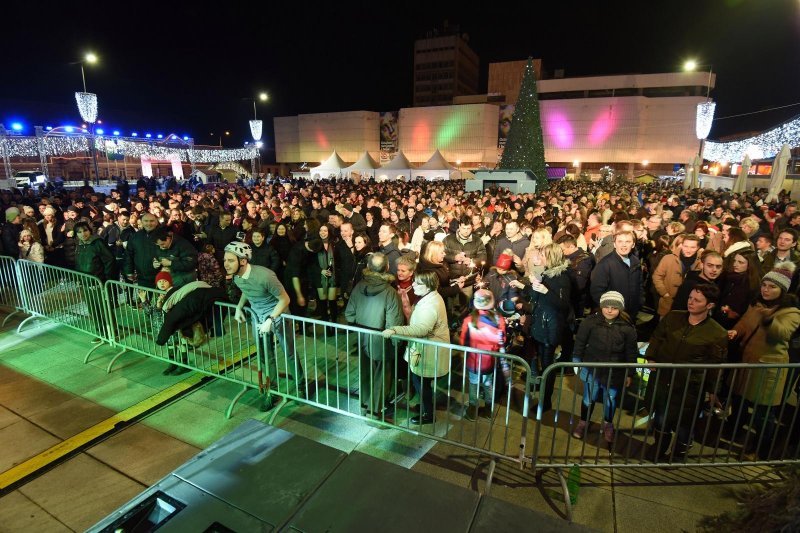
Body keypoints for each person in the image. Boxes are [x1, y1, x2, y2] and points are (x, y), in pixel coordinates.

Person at [725, 261, 800, 459]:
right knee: (739, 401)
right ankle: (733, 432)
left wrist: (769, 319)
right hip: (747, 363)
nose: (766, 290)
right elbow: (745, 322)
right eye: (764, 285)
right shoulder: (756, 304)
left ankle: (759, 450)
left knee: (763, 415)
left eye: (772, 287)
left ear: (782, 290)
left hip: (767, 371)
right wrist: (736, 331)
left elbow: (782, 333)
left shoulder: (791, 312)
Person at [645, 283, 728, 461]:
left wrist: (713, 391)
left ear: (710, 305)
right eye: (690, 297)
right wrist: (651, 357)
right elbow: (658, 337)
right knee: (661, 417)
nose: (690, 302)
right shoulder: (673, 317)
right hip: (664, 379)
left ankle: (679, 453)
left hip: (689, 387)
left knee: (684, 424)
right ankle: (659, 447)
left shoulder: (716, 333)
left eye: (697, 300)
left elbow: (716, 364)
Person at [224, 241, 304, 406]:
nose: (226, 264)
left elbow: (285, 299)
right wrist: (239, 307)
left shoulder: (265, 275)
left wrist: (271, 319)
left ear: (243, 261)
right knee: (264, 356)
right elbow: (247, 291)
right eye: (225, 260)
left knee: (289, 352)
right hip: (258, 318)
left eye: (230, 260)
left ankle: (300, 386)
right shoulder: (237, 277)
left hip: (278, 315)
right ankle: (272, 391)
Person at [382, 270, 450, 425]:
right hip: (425, 350)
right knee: (421, 382)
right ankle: (427, 406)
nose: (413, 284)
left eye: (418, 283)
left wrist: (395, 329)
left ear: (428, 286)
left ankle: (428, 414)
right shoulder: (430, 297)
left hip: (428, 352)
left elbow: (421, 329)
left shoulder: (430, 305)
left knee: (421, 382)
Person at [511, 243, 572, 413]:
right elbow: (536, 296)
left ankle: (545, 402)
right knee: (541, 363)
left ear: (551, 257)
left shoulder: (562, 278)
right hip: (541, 325)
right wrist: (525, 286)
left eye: (543, 255)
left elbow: (563, 305)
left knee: (547, 367)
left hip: (550, 329)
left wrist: (546, 292)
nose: (540, 259)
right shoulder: (546, 273)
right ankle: (542, 390)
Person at [571, 291, 638, 442]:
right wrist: (576, 361)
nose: (609, 310)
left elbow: (631, 352)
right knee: (589, 398)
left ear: (620, 309)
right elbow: (580, 342)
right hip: (592, 369)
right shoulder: (590, 322)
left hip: (615, 372)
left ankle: (608, 424)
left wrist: (630, 373)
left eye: (614, 308)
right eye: (606, 306)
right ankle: (583, 422)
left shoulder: (627, 328)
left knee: (610, 399)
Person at [344, 252, 405, 420]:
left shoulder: (358, 287)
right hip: (381, 339)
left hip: (362, 337)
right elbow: (395, 323)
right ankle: (375, 412)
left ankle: (364, 406)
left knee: (365, 373)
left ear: (368, 267)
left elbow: (349, 314)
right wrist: (397, 344)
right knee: (381, 376)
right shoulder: (390, 292)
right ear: (387, 267)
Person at [459, 289, 506, 421]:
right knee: (488, 383)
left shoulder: (469, 320)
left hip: (473, 361)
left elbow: (463, 341)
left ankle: (472, 410)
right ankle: (488, 410)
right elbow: (502, 340)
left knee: (473, 383)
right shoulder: (499, 320)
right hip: (489, 361)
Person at [590, 230, 643, 323]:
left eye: (628, 242)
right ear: (614, 244)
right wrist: (610, 310)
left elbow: (639, 285)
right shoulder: (605, 264)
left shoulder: (635, 262)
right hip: (613, 316)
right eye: (620, 241)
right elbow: (596, 291)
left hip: (631, 314)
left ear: (633, 245)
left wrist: (639, 303)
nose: (624, 245)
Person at [652, 234, 701, 317]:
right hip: (669, 302)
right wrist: (665, 293)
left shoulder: (701, 262)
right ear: (681, 245)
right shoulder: (668, 258)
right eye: (686, 246)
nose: (688, 250)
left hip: (690, 305)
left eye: (692, 247)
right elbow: (657, 276)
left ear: (698, 248)